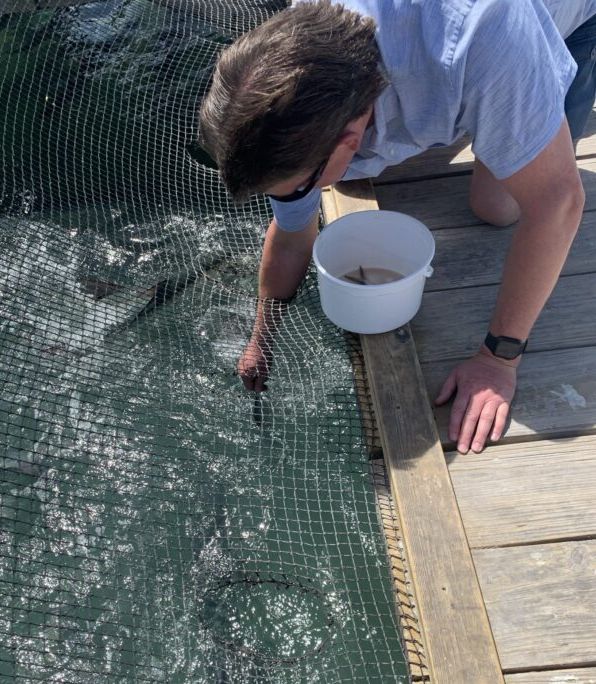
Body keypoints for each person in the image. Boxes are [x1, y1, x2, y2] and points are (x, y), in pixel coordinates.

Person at [198, 0, 596, 453]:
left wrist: (498, 359)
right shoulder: (304, 41)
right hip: (458, 64)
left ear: (349, 138)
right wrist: (261, 338)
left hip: (561, 21)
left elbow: (559, 205)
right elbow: (291, 240)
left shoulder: (484, 34)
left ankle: (524, 101)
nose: (292, 200)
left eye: (295, 189)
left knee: (498, 206)